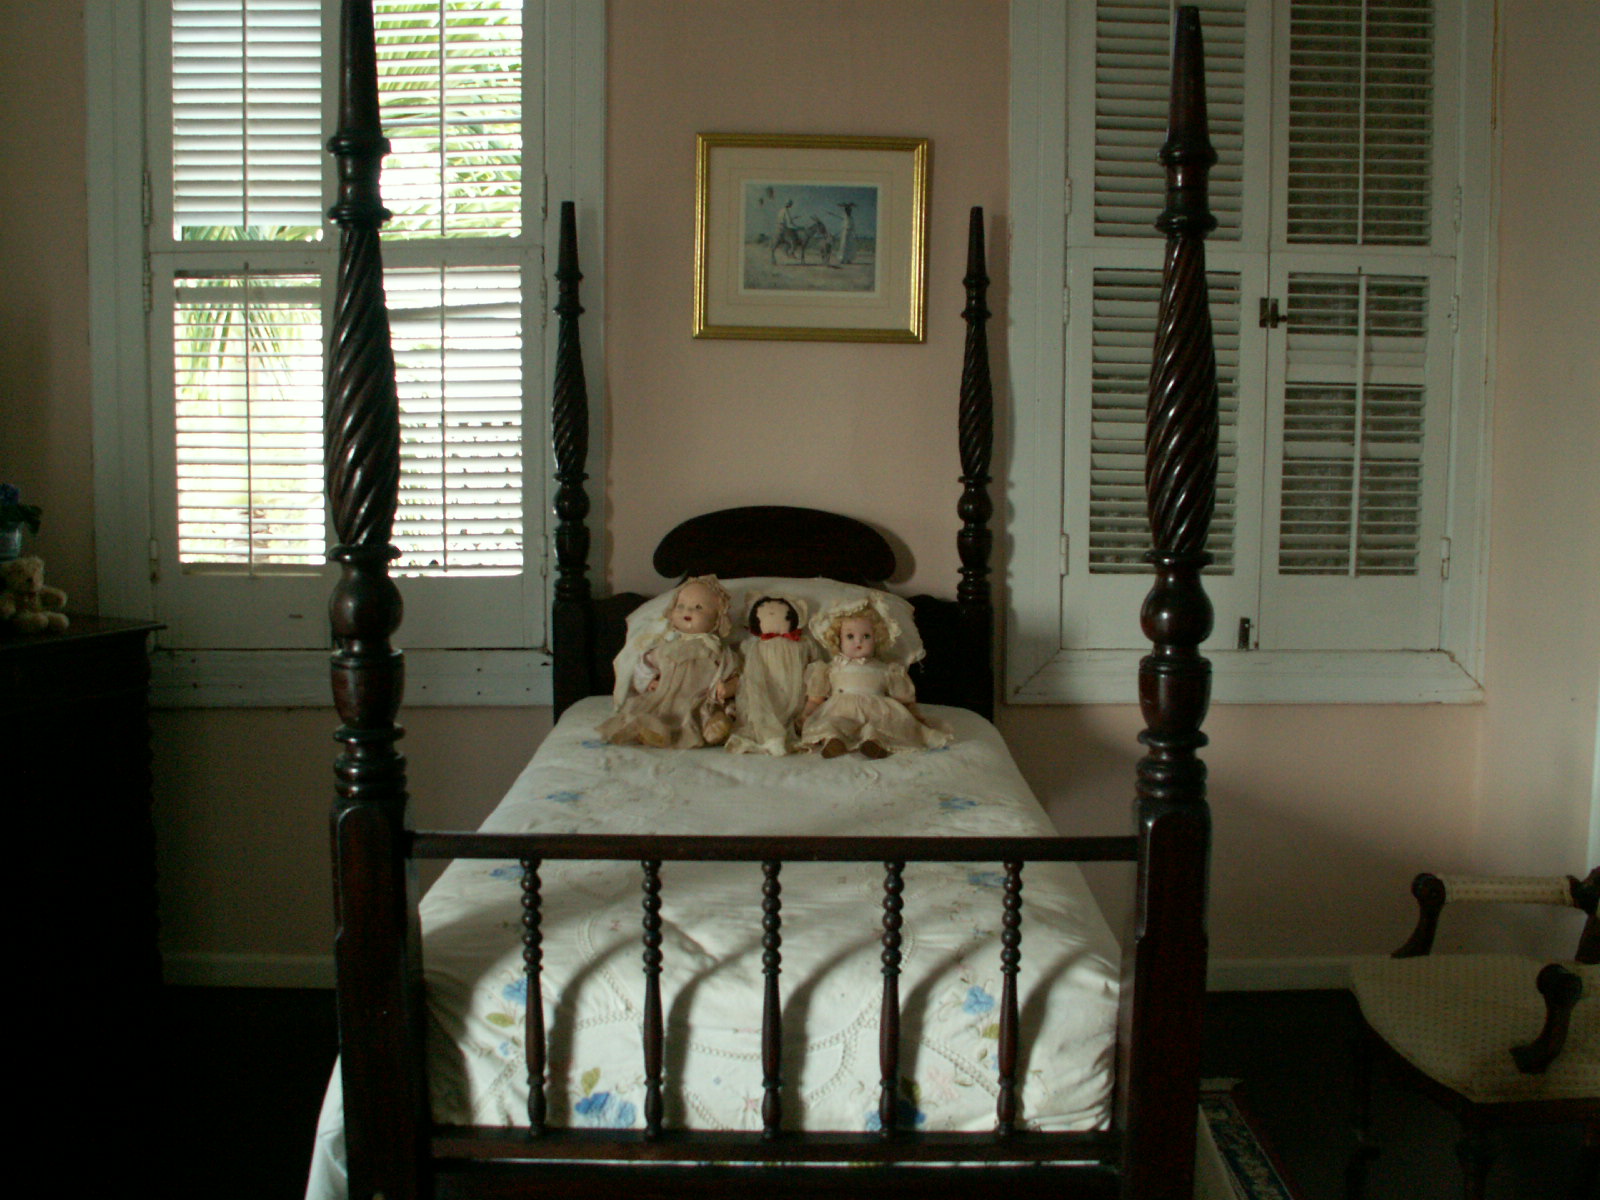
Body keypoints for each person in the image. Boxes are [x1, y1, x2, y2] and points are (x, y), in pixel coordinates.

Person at [798, 593, 952, 758]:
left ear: (876, 638)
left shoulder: (887, 669)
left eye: (866, 636)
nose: (858, 641)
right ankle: (834, 742)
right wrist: (807, 714)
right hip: (842, 710)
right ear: (838, 639)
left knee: (884, 725)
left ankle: (875, 744)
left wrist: (915, 716)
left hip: (878, 711)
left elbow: (904, 700)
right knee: (832, 723)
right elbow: (816, 698)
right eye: (850, 636)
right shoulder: (830, 668)